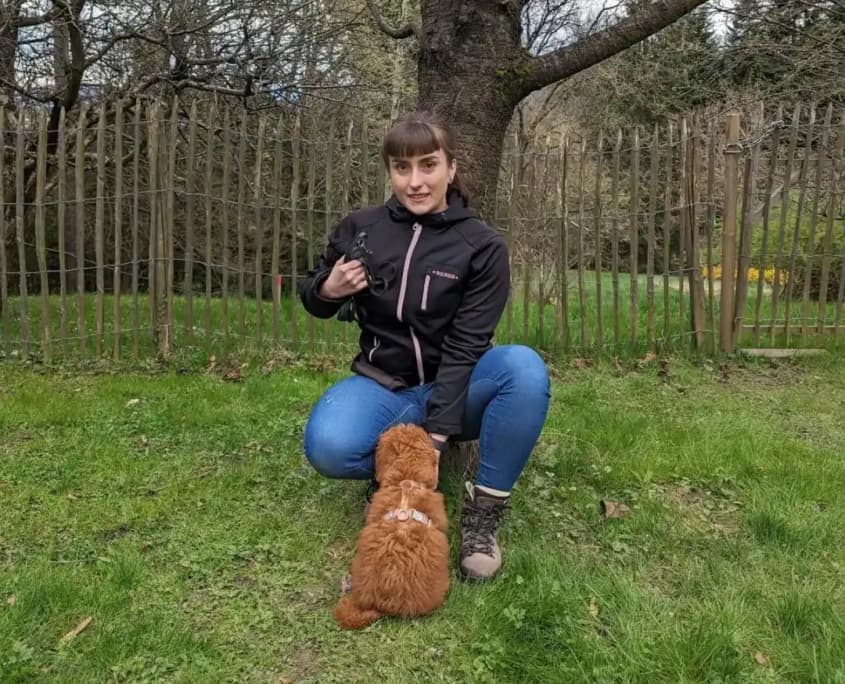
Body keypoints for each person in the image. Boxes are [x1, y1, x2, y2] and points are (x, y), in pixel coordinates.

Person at [299, 111, 550, 581]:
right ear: (390, 171)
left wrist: (436, 436)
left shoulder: (482, 246)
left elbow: (465, 345)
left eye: (428, 165)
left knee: (524, 368)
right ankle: (395, 483)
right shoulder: (361, 228)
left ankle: (483, 512)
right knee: (328, 447)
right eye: (402, 168)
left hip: (456, 384)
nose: (415, 182)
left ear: (451, 168)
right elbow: (314, 299)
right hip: (382, 386)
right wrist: (328, 290)